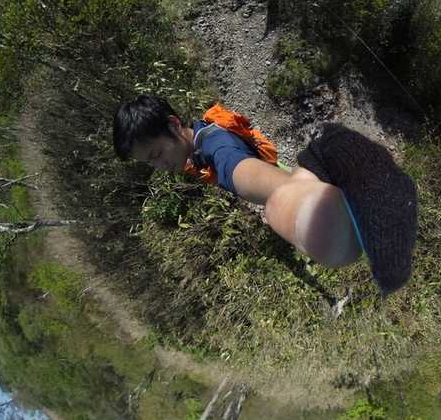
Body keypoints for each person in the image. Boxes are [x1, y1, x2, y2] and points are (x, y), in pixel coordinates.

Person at [112, 93, 417, 296]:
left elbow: (236, 167)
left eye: (157, 154)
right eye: (150, 162)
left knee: (305, 199)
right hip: (278, 167)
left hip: (278, 176)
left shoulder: (215, 148)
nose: (160, 166)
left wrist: (291, 194)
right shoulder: (200, 135)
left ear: (174, 125)